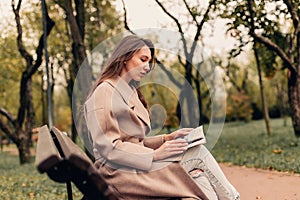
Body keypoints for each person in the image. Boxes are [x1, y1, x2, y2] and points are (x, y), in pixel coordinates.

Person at [84, 35, 239, 199]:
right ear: (124, 57)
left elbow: (134, 142)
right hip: (120, 175)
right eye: (143, 59)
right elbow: (109, 148)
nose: (147, 67)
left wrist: (166, 139)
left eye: (149, 62)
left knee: (198, 178)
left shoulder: (127, 91)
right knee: (197, 154)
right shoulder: (105, 92)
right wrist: (155, 155)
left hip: (132, 167)